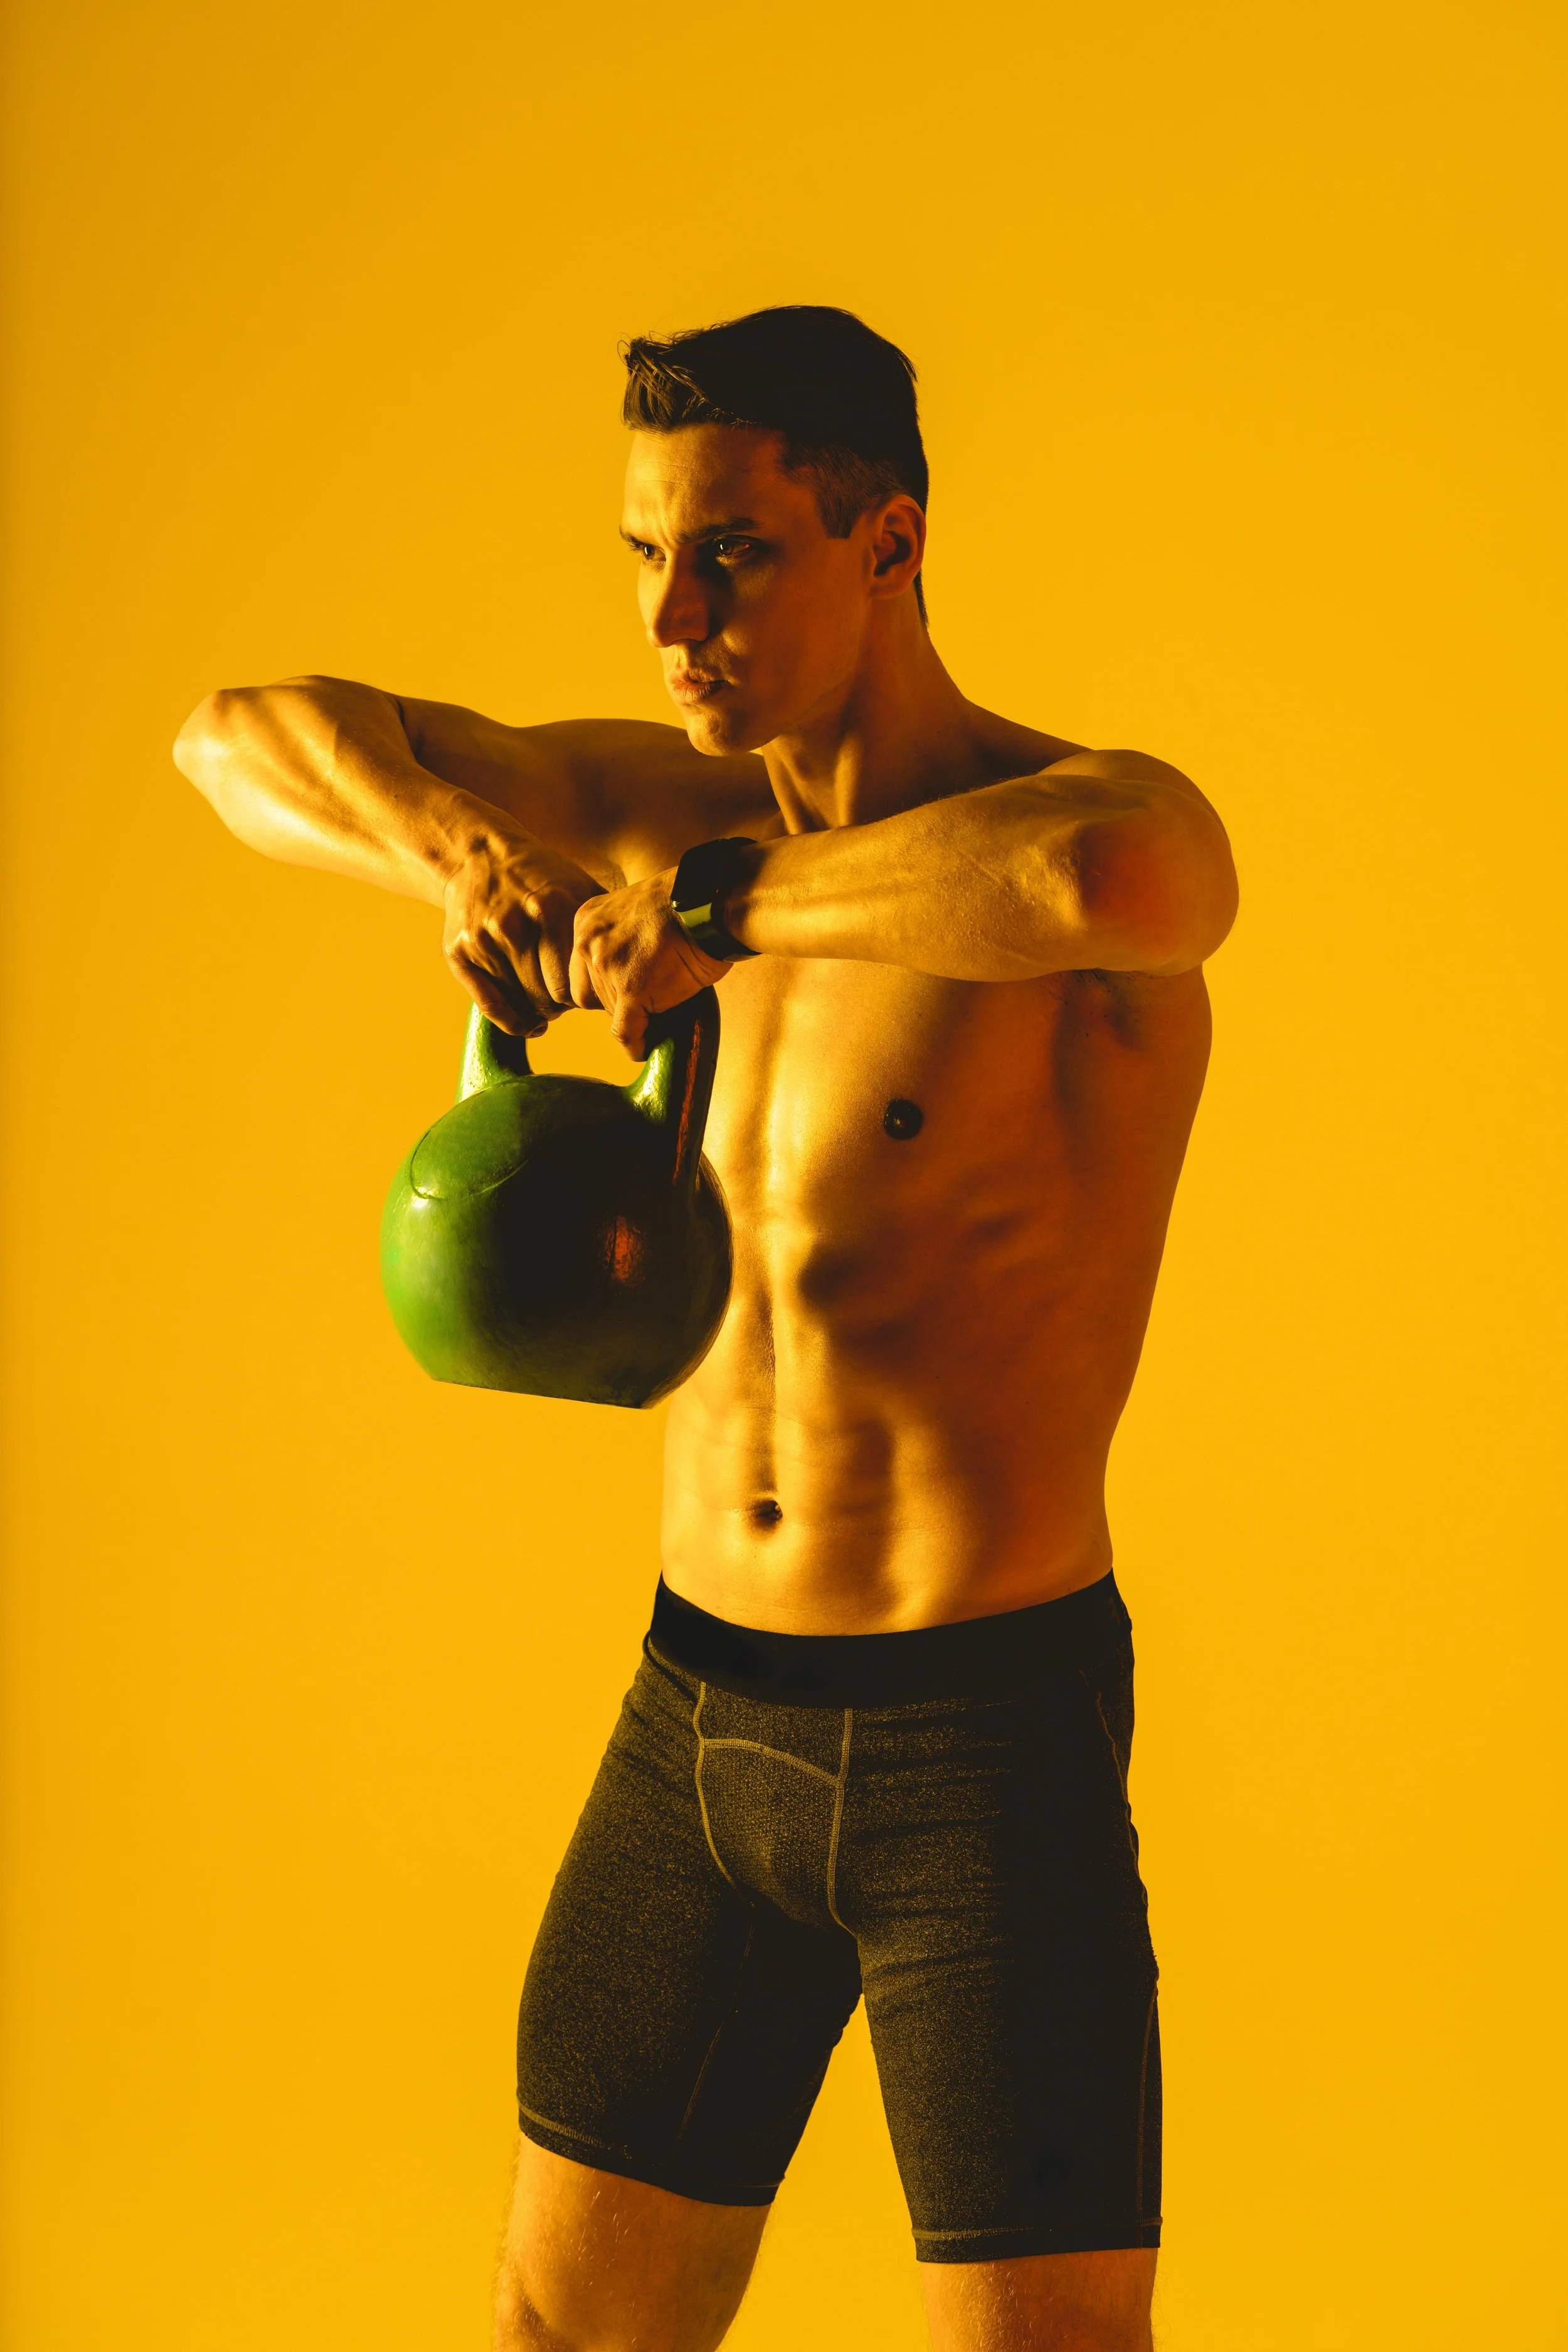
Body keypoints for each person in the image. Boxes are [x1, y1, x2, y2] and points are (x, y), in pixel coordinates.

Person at [175, 305, 1237, 2352]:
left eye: (734, 549)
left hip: (978, 1749)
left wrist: (737, 908)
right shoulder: (639, 814)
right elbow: (229, 734)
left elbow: (1113, 874)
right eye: (645, 555)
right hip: (695, 1724)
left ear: (890, 538)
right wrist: (459, 851)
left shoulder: (1052, 826)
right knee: (561, 2333)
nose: (676, 614)